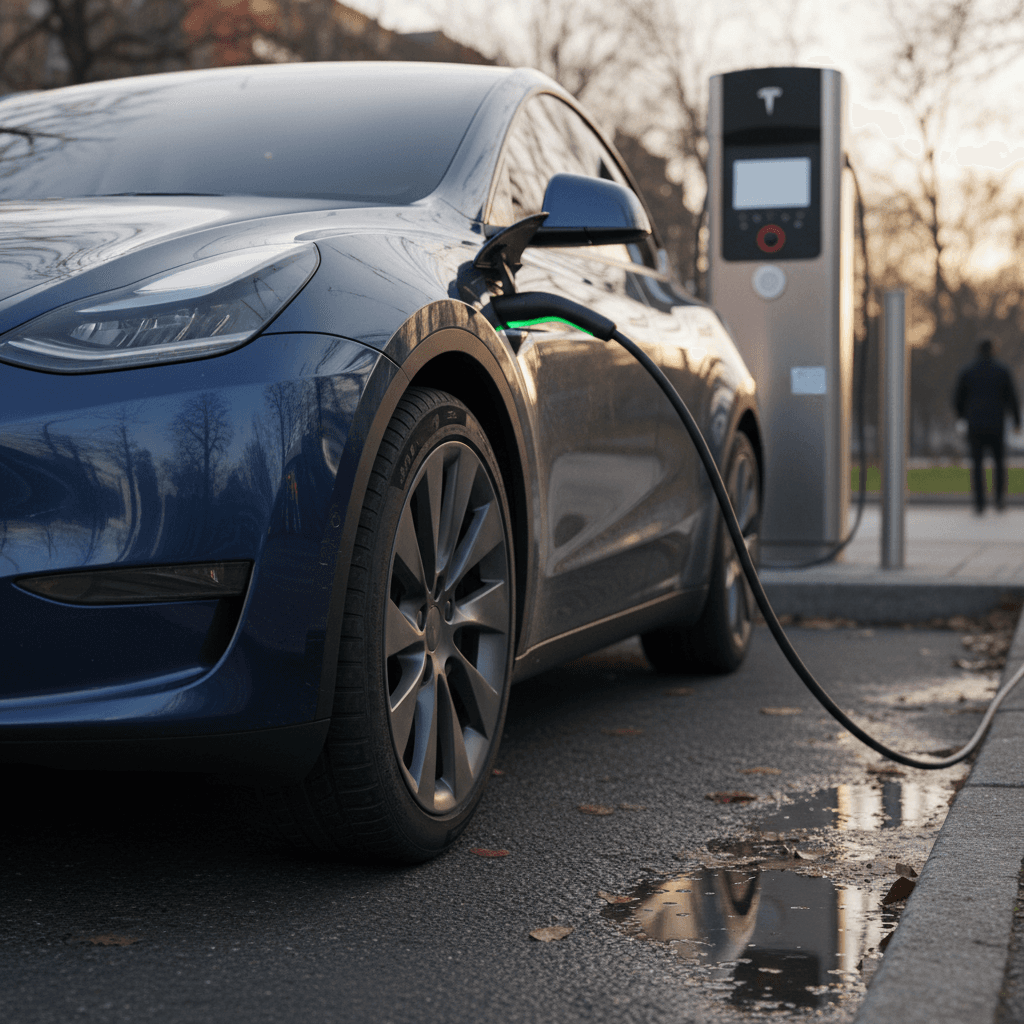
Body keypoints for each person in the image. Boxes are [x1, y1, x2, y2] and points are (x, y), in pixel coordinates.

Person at [953, 337, 1021, 513]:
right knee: (999, 463)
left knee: (977, 464)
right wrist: (1016, 421)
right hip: (996, 423)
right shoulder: (1002, 370)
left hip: (975, 424)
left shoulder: (967, 371)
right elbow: (1012, 398)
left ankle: (979, 503)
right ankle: (999, 499)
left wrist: (962, 416)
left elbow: (958, 398)